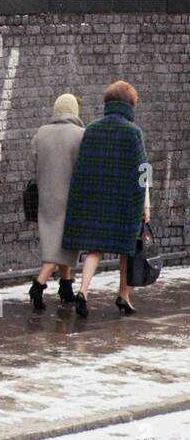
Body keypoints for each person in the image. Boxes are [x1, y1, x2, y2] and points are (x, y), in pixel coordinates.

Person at [62, 81, 152, 319]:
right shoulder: (134, 132)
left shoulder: (92, 129)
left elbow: (82, 168)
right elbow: (144, 171)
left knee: (95, 249)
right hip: (125, 202)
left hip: (97, 200)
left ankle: (83, 291)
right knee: (127, 248)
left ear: (107, 103)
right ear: (130, 104)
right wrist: (146, 204)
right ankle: (124, 296)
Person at [28, 94, 83, 310]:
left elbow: (30, 164)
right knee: (63, 245)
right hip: (71, 197)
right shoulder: (81, 135)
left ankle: (66, 286)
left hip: (47, 196)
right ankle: (38, 285)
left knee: (56, 241)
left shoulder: (41, 133)